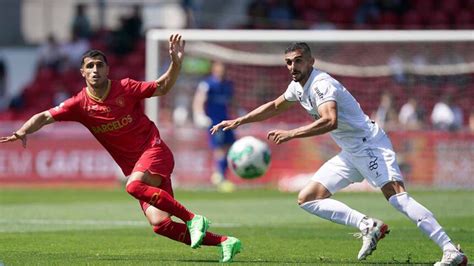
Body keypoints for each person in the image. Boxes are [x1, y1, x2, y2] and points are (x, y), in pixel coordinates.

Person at [211, 42, 468, 265]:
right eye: (288, 62)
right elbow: (276, 105)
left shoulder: (321, 84)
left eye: (298, 61)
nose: (292, 66)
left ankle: (450, 250)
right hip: (351, 152)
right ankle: (368, 225)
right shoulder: (297, 86)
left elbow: (329, 120)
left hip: (370, 146)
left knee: (398, 199)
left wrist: (292, 133)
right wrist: (239, 121)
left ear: (311, 61)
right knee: (308, 198)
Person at [0, 34, 241, 263]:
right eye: (90, 66)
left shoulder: (125, 87)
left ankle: (193, 218)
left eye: (99, 65)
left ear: (107, 69)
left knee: (133, 186)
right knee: (161, 225)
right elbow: (44, 116)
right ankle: (226, 242)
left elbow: (162, 87)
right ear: (82, 72)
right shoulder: (79, 104)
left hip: (155, 151)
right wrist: (23, 131)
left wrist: (175, 64)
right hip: (138, 167)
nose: (95, 70)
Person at [192, 61, 236, 192]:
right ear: (214, 70)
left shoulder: (228, 85)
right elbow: (199, 99)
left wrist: (240, 113)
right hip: (214, 122)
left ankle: (220, 175)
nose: (221, 72)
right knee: (220, 149)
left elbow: (233, 101)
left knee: (229, 148)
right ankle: (221, 178)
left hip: (227, 121)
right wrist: (199, 114)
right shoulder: (207, 84)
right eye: (219, 69)